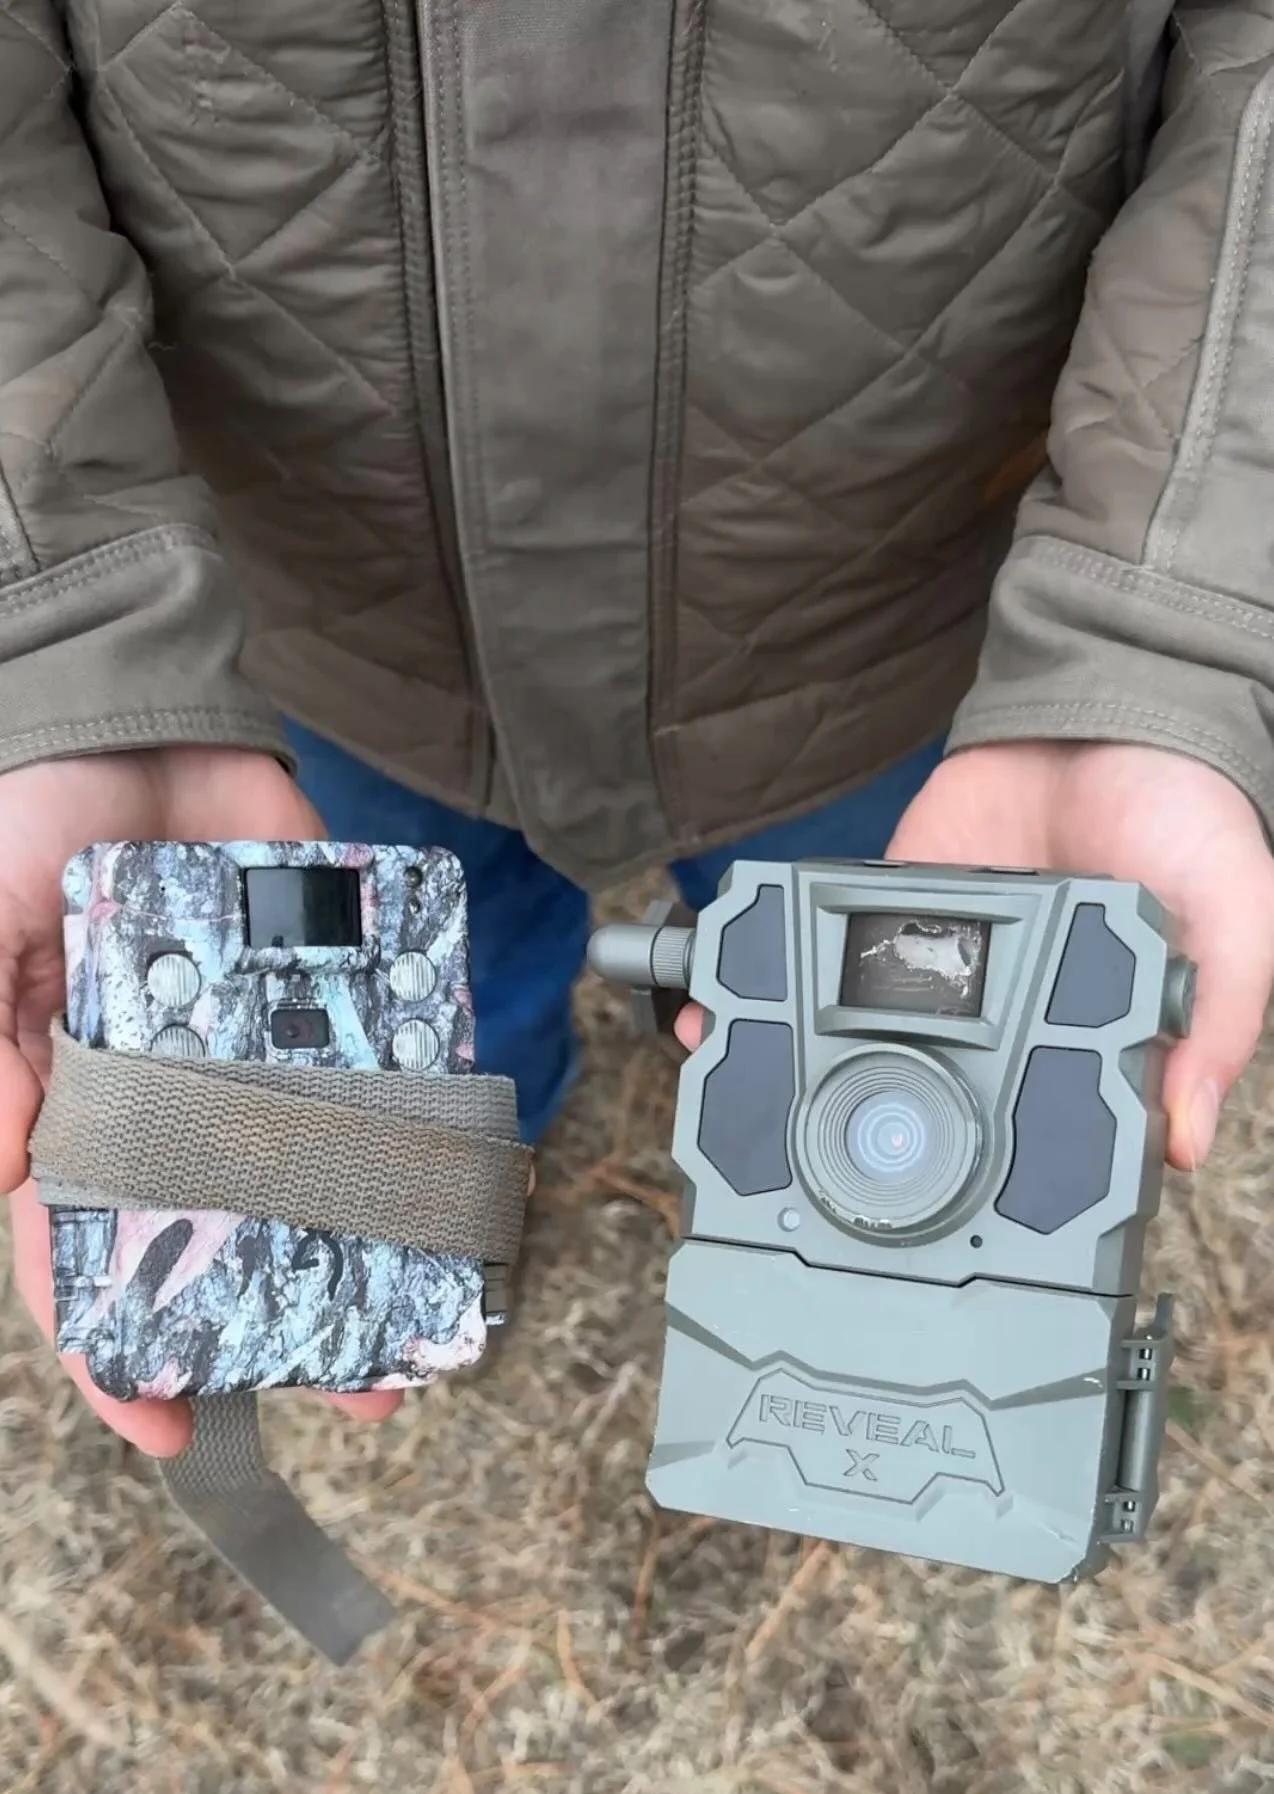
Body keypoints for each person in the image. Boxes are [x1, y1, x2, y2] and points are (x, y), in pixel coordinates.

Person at [3, 1, 1274, 1461]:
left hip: (881, 651)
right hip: (336, 643)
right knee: (442, 981)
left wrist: (1158, 625)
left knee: (873, 1046)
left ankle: (772, 1183)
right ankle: (490, 1136)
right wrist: (57, 631)